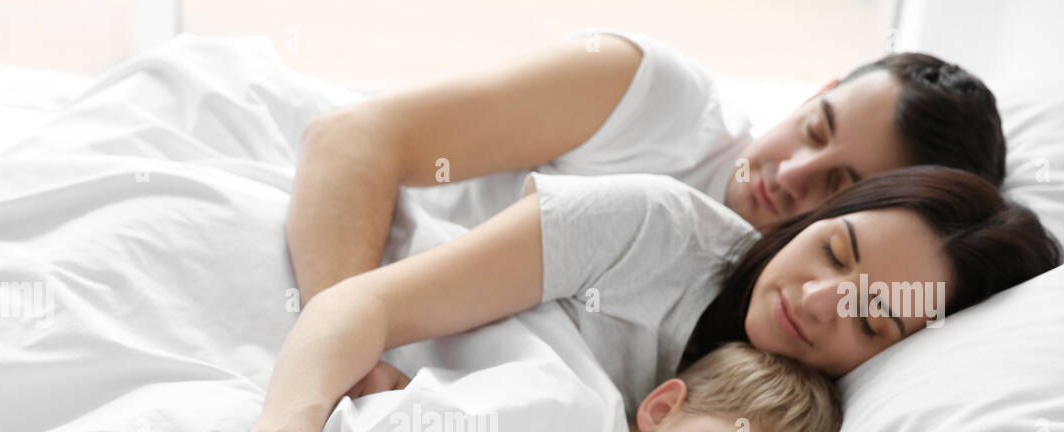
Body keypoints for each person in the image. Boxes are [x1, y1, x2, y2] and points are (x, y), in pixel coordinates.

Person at [175, 166, 1060, 432]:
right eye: (833, 250)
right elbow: (365, 303)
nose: (817, 300)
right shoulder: (651, 230)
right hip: (318, 323)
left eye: (872, 319)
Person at [287, 30, 1009, 307]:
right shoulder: (656, 97)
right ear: (817, 93)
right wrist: (339, 339)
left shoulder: (787, 306)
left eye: (839, 187)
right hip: (346, 257)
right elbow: (354, 139)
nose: (794, 172)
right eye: (815, 129)